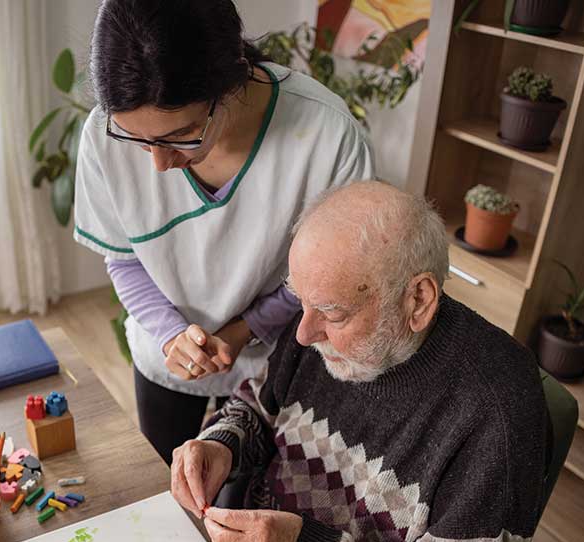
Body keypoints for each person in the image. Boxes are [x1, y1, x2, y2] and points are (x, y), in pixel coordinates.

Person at [170, 181, 548, 542]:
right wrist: (222, 444)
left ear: (418, 301)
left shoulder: (496, 411)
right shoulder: (320, 315)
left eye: (333, 313)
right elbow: (256, 406)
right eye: (300, 303)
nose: (304, 334)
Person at [73, 0, 374, 465]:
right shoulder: (102, 135)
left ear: (231, 78)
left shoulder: (326, 135)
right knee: (169, 484)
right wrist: (172, 335)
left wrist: (244, 329)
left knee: (248, 498)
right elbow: (125, 258)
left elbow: (325, 276)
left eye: (183, 134)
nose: (158, 163)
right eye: (139, 140)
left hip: (275, 361)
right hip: (165, 353)